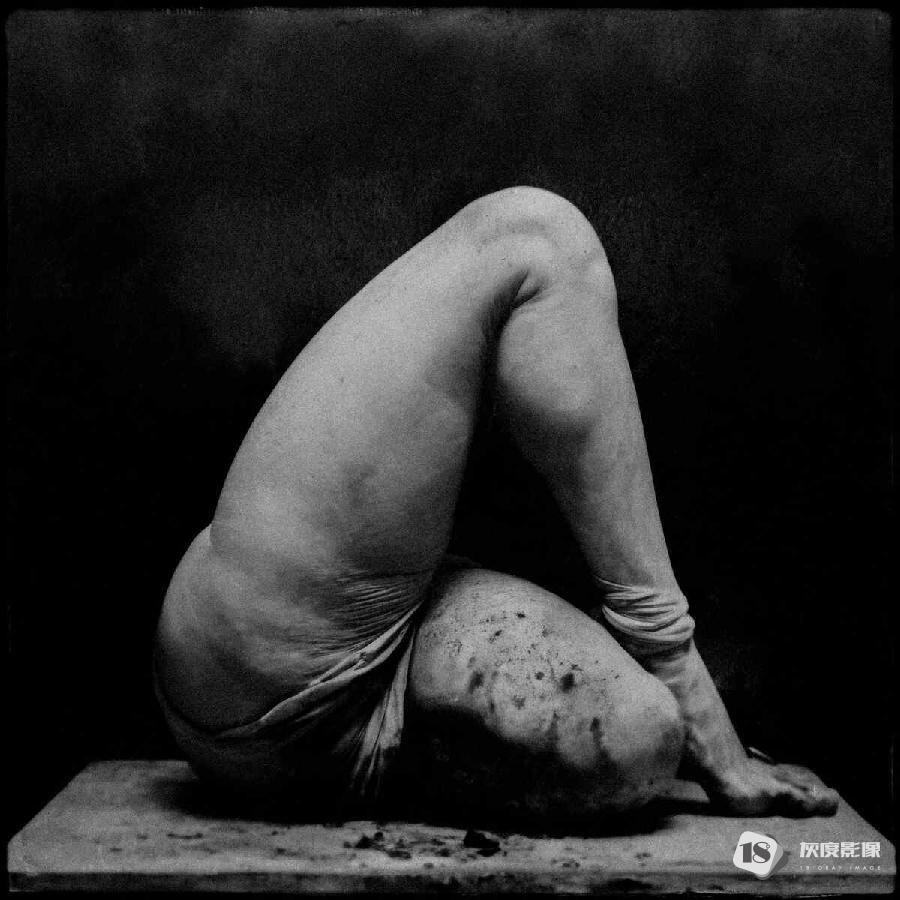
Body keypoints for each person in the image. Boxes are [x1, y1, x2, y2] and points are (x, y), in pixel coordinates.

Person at [153, 187, 838, 823]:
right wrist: (672, 654)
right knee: (537, 242)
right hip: (287, 663)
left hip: (332, 704)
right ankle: (672, 664)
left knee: (646, 732)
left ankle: (659, 689)